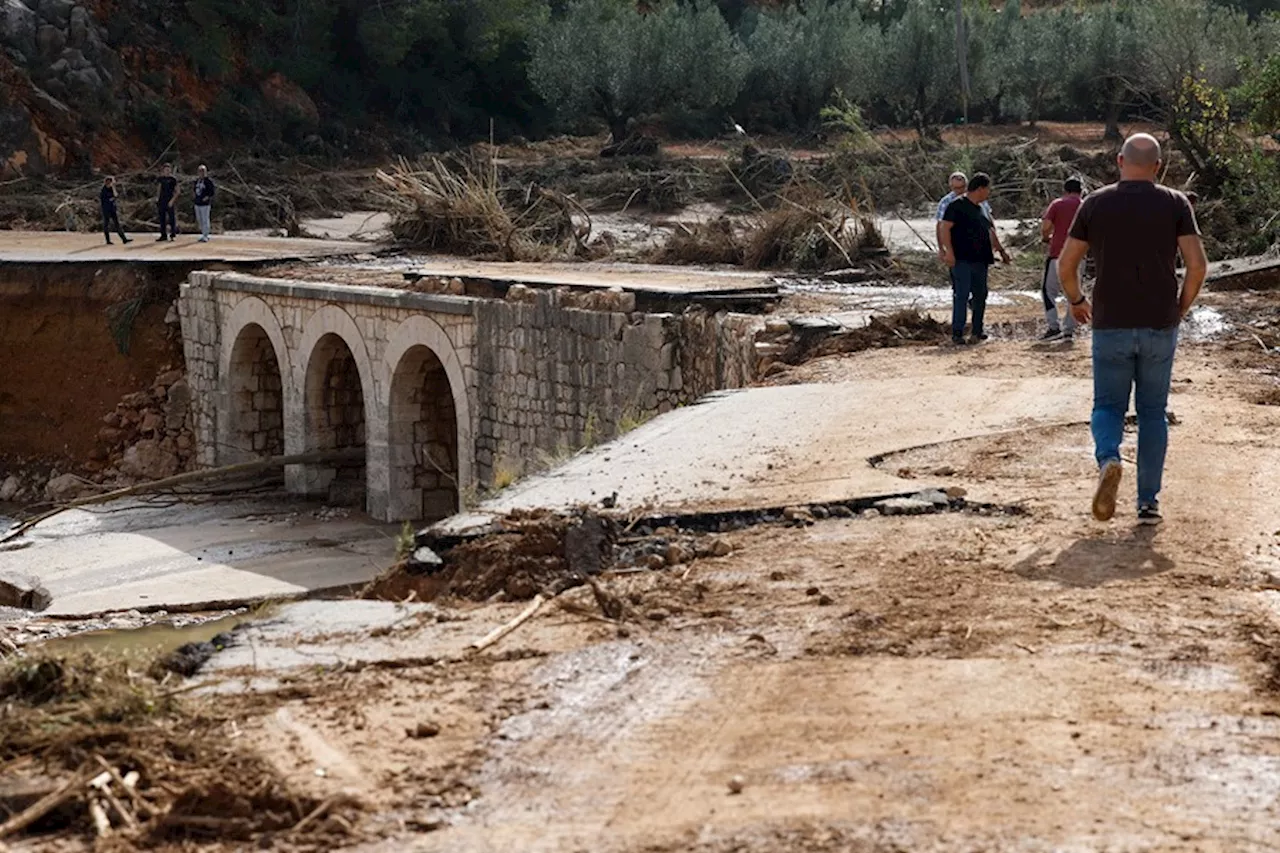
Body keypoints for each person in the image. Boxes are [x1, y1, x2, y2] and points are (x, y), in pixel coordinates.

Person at [1057, 133, 1207, 526]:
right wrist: (1180, 307)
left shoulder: (1096, 203)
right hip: (1159, 322)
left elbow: (1066, 264)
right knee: (1153, 412)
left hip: (1110, 321)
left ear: (1120, 161)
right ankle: (1148, 503)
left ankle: (1109, 458)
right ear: (1157, 166)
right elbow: (1197, 265)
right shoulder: (1175, 203)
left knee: (1108, 406)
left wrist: (1076, 301)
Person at [940, 173, 1001, 345]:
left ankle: (977, 331)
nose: (988, 193)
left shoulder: (982, 208)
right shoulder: (956, 206)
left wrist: (1001, 251)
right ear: (980, 189)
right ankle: (957, 333)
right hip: (961, 259)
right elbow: (945, 228)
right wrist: (948, 252)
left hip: (981, 260)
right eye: (987, 189)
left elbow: (991, 230)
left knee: (981, 295)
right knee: (961, 294)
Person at [1038, 177, 1084, 341]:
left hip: (1058, 253)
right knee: (1074, 292)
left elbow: (1046, 227)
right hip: (1079, 256)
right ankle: (1069, 330)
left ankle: (1053, 326)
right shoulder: (1086, 205)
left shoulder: (1058, 204)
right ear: (1081, 191)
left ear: (1065, 190)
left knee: (1048, 291)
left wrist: (1046, 237)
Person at [935, 170, 1011, 266]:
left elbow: (989, 226)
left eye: (962, 187)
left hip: (980, 256)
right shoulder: (949, 203)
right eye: (956, 188)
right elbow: (942, 228)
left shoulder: (980, 201)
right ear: (951, 187)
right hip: (960, 255)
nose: (959, 191)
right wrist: (943, 249)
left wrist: (997, 248)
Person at [99, 177, 131, 245]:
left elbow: (116, 195)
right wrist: (111, 199)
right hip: (106, 209)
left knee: (117, 224)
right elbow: (106, 199)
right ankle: (108, 240)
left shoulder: (111, 189)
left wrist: (113, 188)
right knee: (106, 225)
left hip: (112, 209)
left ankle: (124, 239)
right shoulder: (104, 190)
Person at [193, 165, 215, 243]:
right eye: (200, 171)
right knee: (199, 219)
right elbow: (194, 190)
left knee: (205, 219)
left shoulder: (208, 181)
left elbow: (212, 192)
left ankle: (206, 235)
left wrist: (207, 197)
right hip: (197, 202)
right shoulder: (196, 181)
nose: (201, 173)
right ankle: (202, 233)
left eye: (203, 171)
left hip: (205, 204)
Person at [156, 163, 178, 241]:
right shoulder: (160, 179)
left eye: (168, 170)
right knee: (162, 218)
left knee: (171, 218)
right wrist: (157, 198)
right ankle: (163, 235)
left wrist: (172, 201)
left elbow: (177, 191)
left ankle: (172, 234)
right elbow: (159, 189)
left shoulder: (173, 179)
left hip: (170, 201)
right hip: (162, 200)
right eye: (165, 170)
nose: (167, 171)